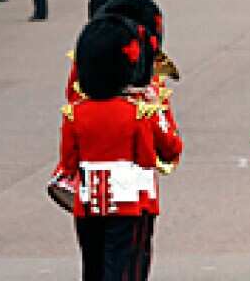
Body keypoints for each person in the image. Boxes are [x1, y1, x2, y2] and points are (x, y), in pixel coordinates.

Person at [59, 16, 182, 281]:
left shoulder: (74, 113)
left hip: (88, 202)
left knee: (93, 267)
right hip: (126, 201)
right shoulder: (136, 113)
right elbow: (149, 157)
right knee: (122, 269)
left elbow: (68, 162)